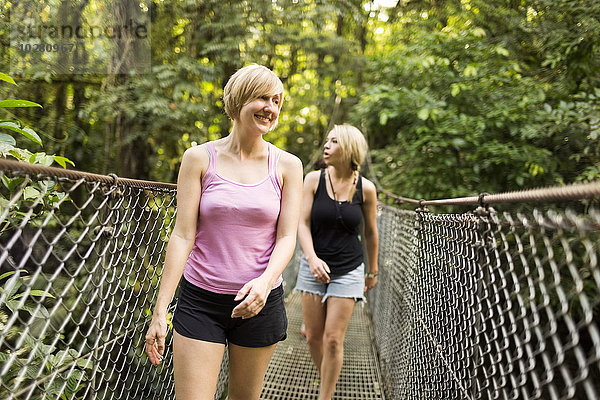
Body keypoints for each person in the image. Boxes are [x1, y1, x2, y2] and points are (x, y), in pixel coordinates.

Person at [144, 64, 303, 400]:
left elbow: (288, 237)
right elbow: (183, 235)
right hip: (201, 300)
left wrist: (263, 282)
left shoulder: (288, 165)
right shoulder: (199, 158)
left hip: (259, 301)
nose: (271, 108)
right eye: (262, 97)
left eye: (277, 100)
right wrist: (161, 311)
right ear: (239, 100)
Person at [295, 124, 379, 400]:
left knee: (333, 340)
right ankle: (327, 379)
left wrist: (373, 270)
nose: (326, 146)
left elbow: (370, 233)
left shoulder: (366, 189)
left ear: (349, 149)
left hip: (349, 269)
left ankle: (326, 395)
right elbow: (302, 223)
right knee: (314, 337)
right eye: (326, 141)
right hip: (312, 265)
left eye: (334, 141)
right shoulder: (313, 180)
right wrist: (312, 258)